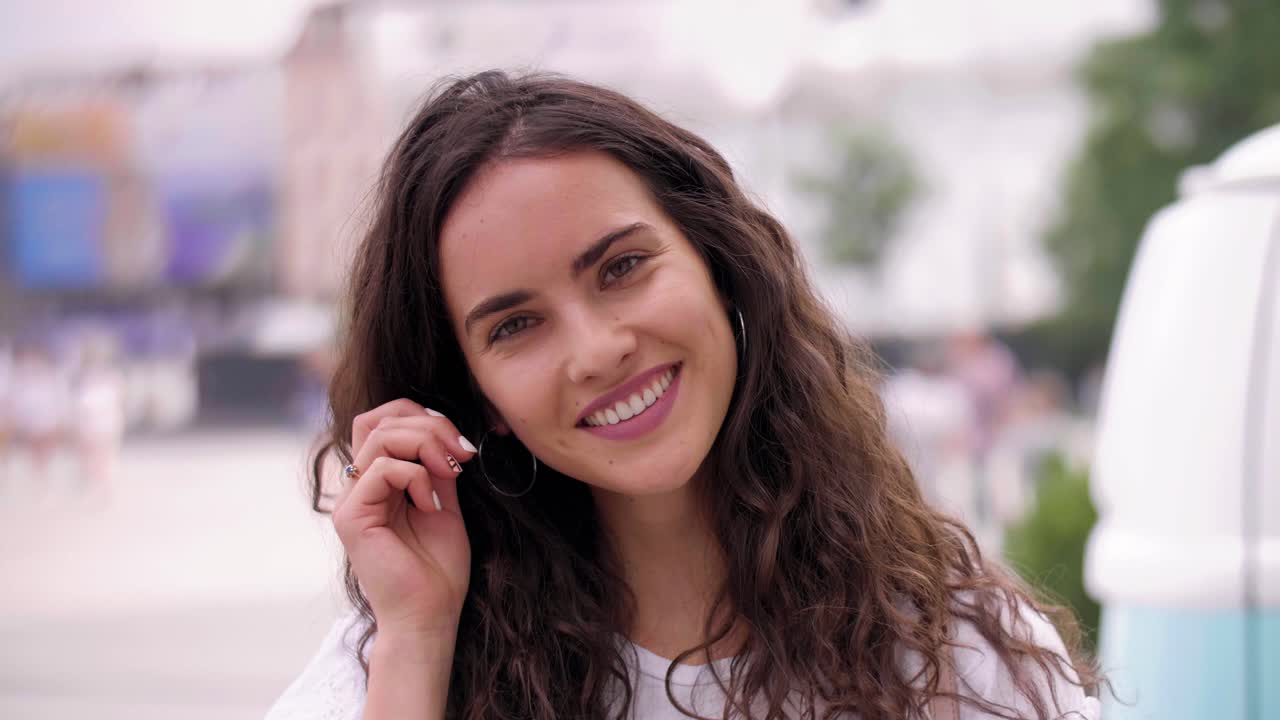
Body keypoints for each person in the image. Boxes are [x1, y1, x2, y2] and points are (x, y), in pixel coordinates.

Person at [267, 71, 1103, 720]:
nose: (597, 351)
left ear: (717, 264)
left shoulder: (953, 650)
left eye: (622, 268)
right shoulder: (393, 666)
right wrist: (417, 638)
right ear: (474, 396)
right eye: (515, 326)